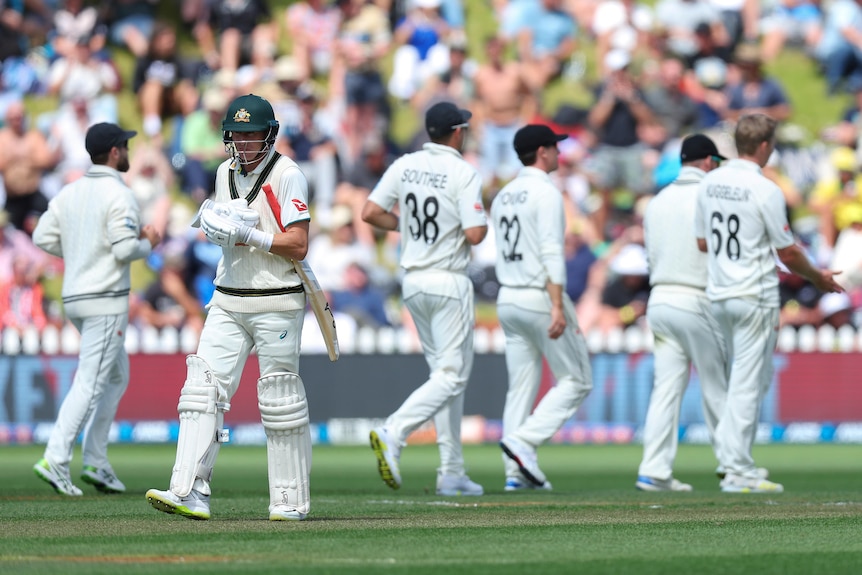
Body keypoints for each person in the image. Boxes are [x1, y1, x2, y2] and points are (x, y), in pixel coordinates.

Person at [146, 93, 315, 521]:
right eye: (236, 135)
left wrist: (252, 237)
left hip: (276, 298)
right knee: (202, 391)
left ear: (270, 134)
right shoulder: (223, 172)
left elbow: (298, 244)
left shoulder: (287, 173)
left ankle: (289, 501)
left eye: (251, 134)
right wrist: (215, 228)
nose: (243, 143)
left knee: (280, 399)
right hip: (227, 297)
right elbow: (227, 232)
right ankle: (189, 491)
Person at [694, 113, 844, 493]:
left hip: (719, 293)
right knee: (749, 381)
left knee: (742, 380)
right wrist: (819, 277)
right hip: (753, 293)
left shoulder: (710, 183)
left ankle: (732, 460)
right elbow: (789, 253)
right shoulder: (766, 190)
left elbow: (701, 242)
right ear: (763, 146)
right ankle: (736, 469)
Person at [362, 101, 488, 496]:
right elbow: (475, 235)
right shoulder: (463, 172)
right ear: (457, 132)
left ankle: (451, 471)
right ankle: (394, 432)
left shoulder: (405, 165)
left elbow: (370, 212)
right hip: (448, 281)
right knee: (451, 376)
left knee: (446, 378)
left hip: (413, 283)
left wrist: (411, 228)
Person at [31, 122, 162, 496]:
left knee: (116, 375)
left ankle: (97, 460)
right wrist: (148, 242)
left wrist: (79, 252)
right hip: (104, 299)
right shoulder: (120, 194)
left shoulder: (68, 191)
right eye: (126, 146)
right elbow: (124, 250)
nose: (129, 153)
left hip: (75, 297)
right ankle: (56, 459)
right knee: (90, 380)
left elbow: (42, 236)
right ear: (116, 152)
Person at [492, 124, 594, 491]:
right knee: (578, 380)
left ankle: (514, 472)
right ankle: (526, 441)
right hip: (538, 294)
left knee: (520, 387)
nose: (559, 153)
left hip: (509, 296)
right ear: (542, 152)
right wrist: (556, 304)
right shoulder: (546, 192)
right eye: (555, 147)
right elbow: (551, 250)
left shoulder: (504, 194)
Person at [636, 133, 727, 492]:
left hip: (659, 299)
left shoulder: (657, 201)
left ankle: (654, 470)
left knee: (666, 388)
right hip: (696, 297)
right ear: (707, 161)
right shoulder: (709, 194)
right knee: (717, 385)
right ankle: (733, 466)